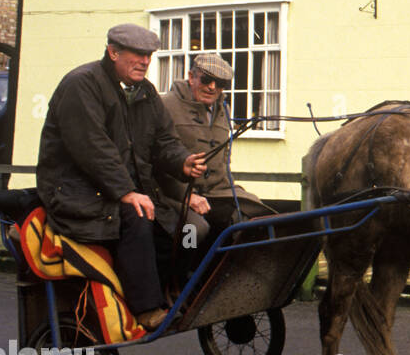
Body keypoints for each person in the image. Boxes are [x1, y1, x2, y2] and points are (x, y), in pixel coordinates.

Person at [37, 24, 206, 330]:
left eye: (149, 55)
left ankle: (174, 291)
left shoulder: (146, 92)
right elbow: (93, 149)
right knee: (138, 217)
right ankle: (145, 308)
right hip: (77, 193)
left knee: (183, 229)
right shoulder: (82, 84)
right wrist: (127, 192)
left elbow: (164, 141)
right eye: (138, 55)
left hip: (122, 190)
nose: (145, 61)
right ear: (113, 52)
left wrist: (182, 161)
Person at [158, 53, 273, 269]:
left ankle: (221, 279)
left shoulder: (223, 110)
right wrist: (187, 196)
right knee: (193, 230)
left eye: (220, 83)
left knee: (254, 214)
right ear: (191, 77)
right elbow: (155, 162)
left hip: (215, 192)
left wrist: (234, 191)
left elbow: (224, 161)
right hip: (174, 194)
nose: (212, 87)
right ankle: (181, 277)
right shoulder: (165, 106)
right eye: (206, 80)